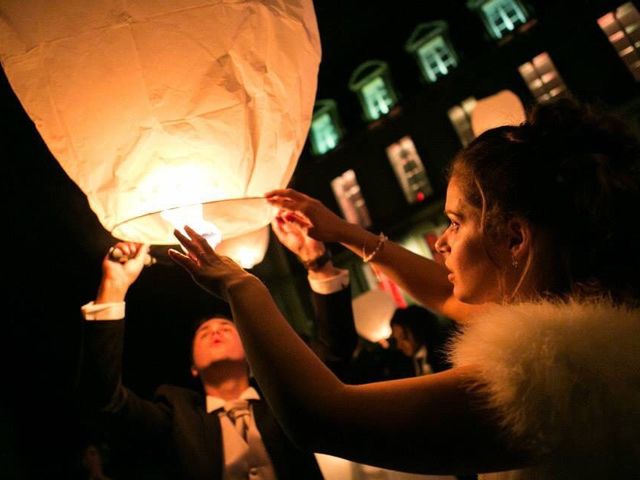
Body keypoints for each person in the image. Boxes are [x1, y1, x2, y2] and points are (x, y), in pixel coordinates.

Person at [169, 99, 640, 478]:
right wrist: (344, 232)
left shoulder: (556, 376)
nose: (442, 243)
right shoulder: (594, 327)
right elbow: (447, 295)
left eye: (456, 222)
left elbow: (322, 417)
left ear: (514, 238)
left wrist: (240, 285)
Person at [77, 226, 357, 479]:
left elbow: (335, 352)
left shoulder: (285, 401)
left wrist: (317, 261)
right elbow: (104, 400)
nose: (214, 331)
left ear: (250, 357)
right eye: (203, 333)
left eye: (225, 326)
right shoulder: (176, 417)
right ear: (193, 368)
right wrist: (113, 287)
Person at [389, 305, 455, 376]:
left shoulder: (445, 355)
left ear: (417, 330)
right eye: (397, 339)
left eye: (404, 337)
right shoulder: (404, 364)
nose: (399, 346)